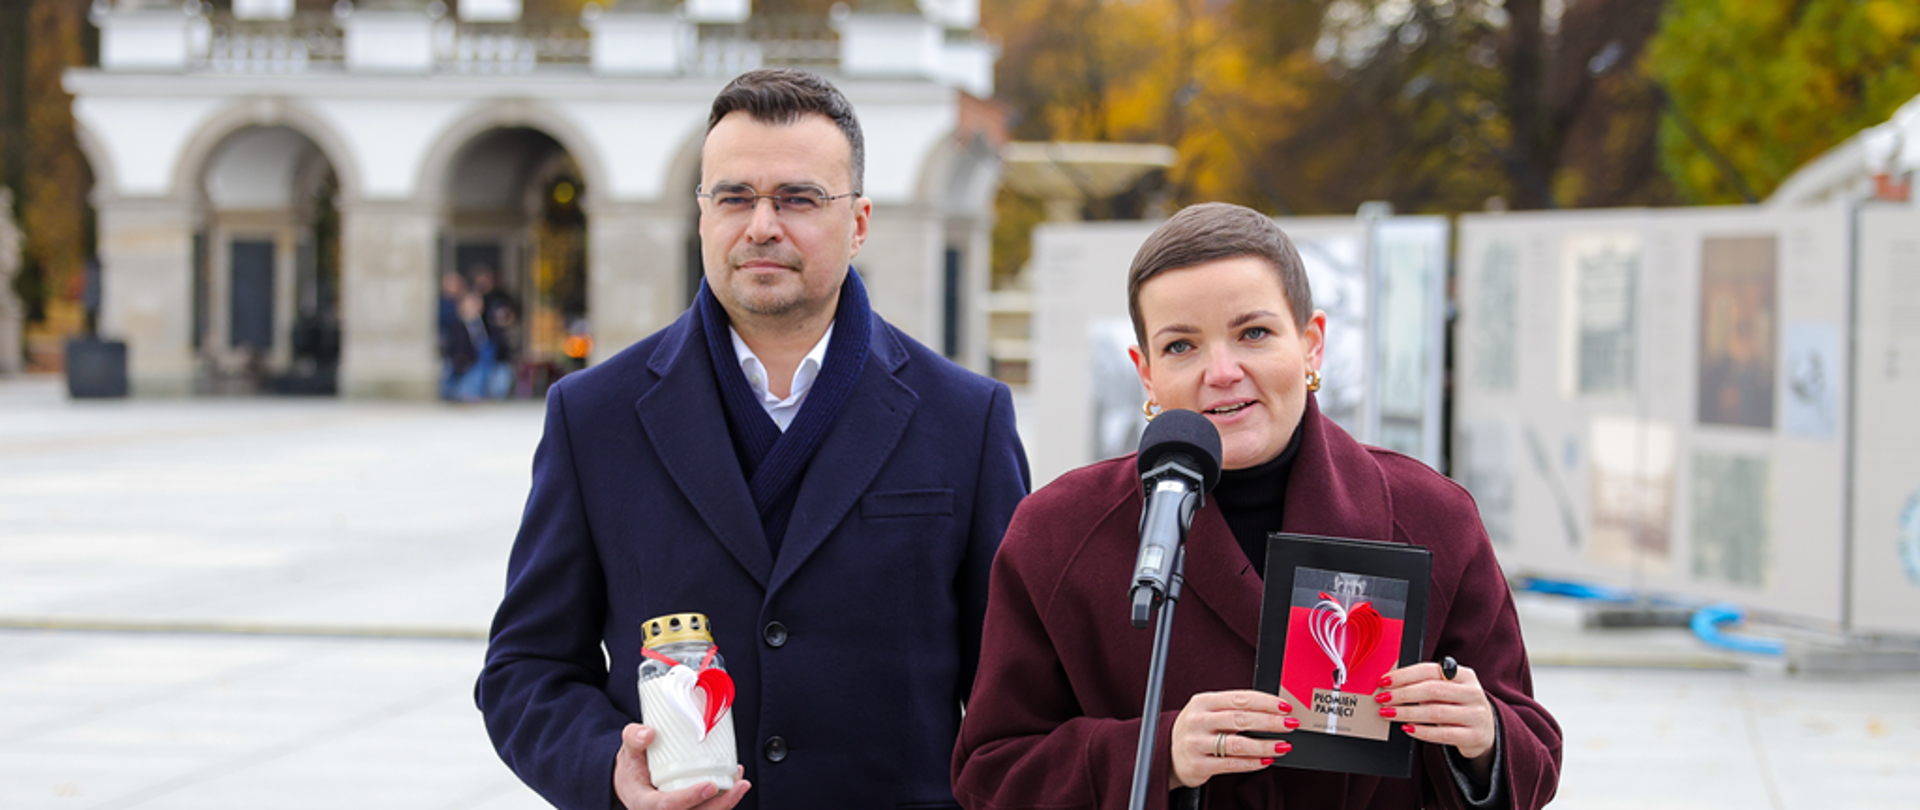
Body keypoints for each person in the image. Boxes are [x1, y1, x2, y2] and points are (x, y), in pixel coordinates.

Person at [477, 68, 1030, 810]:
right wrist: (610, 768)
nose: (761, 225)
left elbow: (1015, 689)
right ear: (703, 215)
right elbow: (525, 668)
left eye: (799, 199)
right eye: (734, 197)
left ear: (859, 222)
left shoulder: (967, 418)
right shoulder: (593, 415)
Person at [952, 203, 1559, 810]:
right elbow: (991, 772)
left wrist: (1481, 737)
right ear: (1146, 374)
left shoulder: (1431, 517)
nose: (1222, 371)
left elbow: (1532, 753)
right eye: (1182, 345)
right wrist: (1158, 753)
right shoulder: (1058, 534)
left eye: (1254, 334)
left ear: (1312, 345)